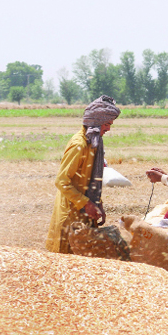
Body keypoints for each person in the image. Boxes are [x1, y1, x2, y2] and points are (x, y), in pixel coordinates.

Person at [46, 95, 120, 253]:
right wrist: (86, 203)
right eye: (106, 124)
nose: (108, 129)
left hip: (84, 216)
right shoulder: (79, 145)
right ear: (96, 122)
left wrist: (98, 203)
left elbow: (92, 180)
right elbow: (61, 181)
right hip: (70, 217)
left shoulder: (94, 143)